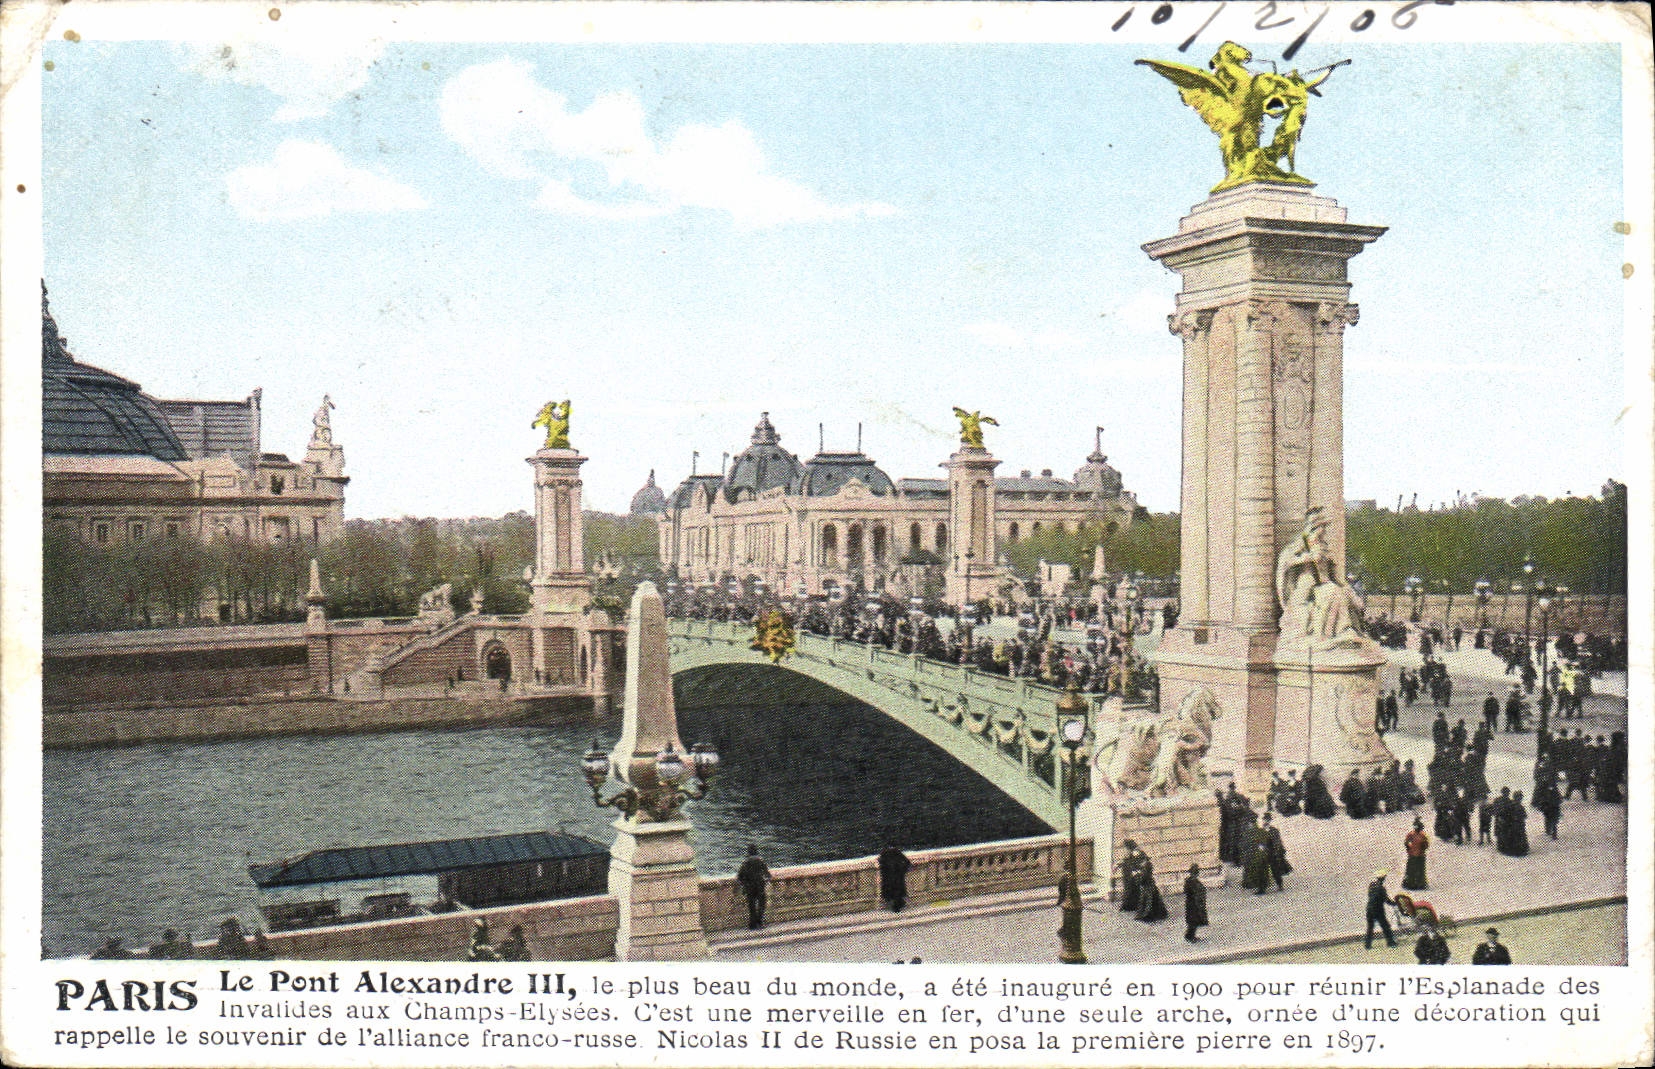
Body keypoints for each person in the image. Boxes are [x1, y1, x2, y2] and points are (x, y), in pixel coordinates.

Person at [736, 844, 772, 930]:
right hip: (760, 886)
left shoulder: (746, 863)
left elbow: (740, 877)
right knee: (762, 904)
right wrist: (765, 882)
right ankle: (759, 922)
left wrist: (745, 884)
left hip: (749, 887)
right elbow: (768, 875)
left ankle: (752, 924)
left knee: (751, 906)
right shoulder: (761, 861)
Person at [1365, 871, 1397, 950]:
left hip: (1369, 908)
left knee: (1370, 927)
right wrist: (1395, 903)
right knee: (1385, 926)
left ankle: (1367, 944)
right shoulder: (1382, 889)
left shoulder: (1371, 885)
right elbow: (1387, 900)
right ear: (1383, 879)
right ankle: (1390, 942)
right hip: (1378, 910)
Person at [1134, 854, 1168, 923]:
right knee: (1153, 899)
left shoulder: (1145, 866)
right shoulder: (1147, 865)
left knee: (1148, 900)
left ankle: (1147, 915)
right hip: (1150, 885)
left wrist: (1137, 876)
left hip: (1147, 886)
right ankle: (1158, 913)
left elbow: (1144, 877)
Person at [878, 845, 912, 912]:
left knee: (892, 892)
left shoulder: (884, 854)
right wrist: (902, 870)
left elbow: (881, 865)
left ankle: (895, 905)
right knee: (897, 891)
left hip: (890, 878)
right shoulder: (897, 852)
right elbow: (907, 862)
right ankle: (898, 905)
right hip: (897, 877)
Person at [1183, 863, 1208, 943]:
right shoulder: (1192, 881)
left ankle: (1190, 936)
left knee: (1193, 921)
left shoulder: (1190, 880)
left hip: (1192, 903)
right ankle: (1189, 936)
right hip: (1194, 904)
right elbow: (1196, 891)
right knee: (1193, 921)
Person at [1402, 818, 1429, 891]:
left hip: (1418, 855)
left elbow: (1426, 844)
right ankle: (1415, 884)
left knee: (1416, 870)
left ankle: (1415, 884)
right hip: (1415, 855)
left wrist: (1410, 848)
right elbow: (1406, 842)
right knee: (1414, 870)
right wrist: (1409, 848)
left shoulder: (1422, 835)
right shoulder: (1413, 834)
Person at [1118, 840, 1144, 913]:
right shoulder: (1129, 853)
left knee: (1131, 890)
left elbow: (1138, 864)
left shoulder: (1136, 853)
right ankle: (1129, 906)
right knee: (1129, 889)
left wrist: (1135, 871)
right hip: (1127, 874)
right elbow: (1125, 861)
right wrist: (1118, 865)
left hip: (1132, 875)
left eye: (1125, 847)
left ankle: (1129, 906)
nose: (1124, 849)